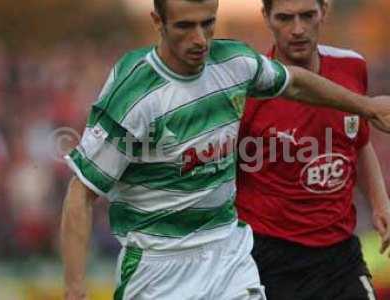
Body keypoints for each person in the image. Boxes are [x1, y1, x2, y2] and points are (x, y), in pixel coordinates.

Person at [60, 0, 390, 299]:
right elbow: (81, 193)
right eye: (185, 26)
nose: (201, 39)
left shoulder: (235, 64)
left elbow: (297, 83)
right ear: (157, 22)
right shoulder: (134, 94)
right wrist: (75, 289)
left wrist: (367, 107)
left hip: (230, 254)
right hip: (159, 264)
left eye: (208, 23)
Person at [236, 0, 390, 299]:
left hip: (339, 255)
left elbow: (359, 142)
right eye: (284, 18)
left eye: (307, 15)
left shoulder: (352, 66)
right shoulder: (247, 88)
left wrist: (381, 202)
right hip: (268, 259)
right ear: (266, 17)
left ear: (324, 11)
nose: (298, 30)